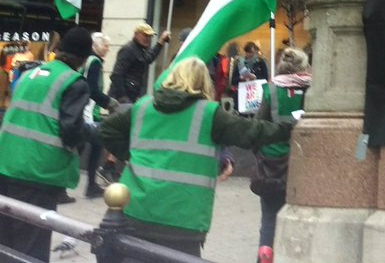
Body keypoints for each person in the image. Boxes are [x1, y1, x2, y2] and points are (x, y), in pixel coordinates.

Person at [100, 57, 292, 257]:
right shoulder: (209, 113)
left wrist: (130, 155)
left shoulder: (143, 107)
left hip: (134, 210)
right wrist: (291, 128)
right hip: (183, 220)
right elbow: (253, 131)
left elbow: (107, 129)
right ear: (203, 82)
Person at [0, 27, 96, 262]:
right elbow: (71, 131)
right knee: (31, 247)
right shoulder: (74, 82)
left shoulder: (31, 74)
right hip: (36, 173)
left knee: (4, 242)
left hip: (2, 164)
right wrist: (94, 131)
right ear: (82, 58)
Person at [251, 48, 312, 259]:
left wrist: (259, 152)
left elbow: (258, 126)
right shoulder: (311, 90)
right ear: (302, 66)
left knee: (269, 218)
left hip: (270, 162)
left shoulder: (270, 90)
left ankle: (265, 253)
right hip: (300, 163)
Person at [81, 32, 118, 198]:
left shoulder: (87, 60)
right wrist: (109, 102)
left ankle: (90, 185)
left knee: (86, 147)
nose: (107, 49)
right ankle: (90, 186)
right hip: (89, 111)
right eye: (105, 46)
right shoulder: (94, 62)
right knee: (93, 147)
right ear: (96, 45)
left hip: (86, 109)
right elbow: (93, 89)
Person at [107, 23, 170, 103]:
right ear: (136, 34)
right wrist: (123, 97)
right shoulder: (128, 50)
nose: (148, 39)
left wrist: (160, 42)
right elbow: (116, 75)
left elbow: (148, 59)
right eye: (145, 35)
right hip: (121, 98)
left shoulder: (140, 49)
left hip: (130, 95)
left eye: (150, 36)